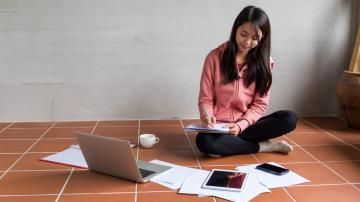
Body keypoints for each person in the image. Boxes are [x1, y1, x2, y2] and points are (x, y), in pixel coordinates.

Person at [196, 5, 297, 157]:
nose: (247, 41)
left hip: (248, 125)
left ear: (262, 38)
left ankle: (229, 145)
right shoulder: (214, 58)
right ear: (235, 29)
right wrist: (206, 116)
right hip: (219, 127)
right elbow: (205, 99)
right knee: (204, 141)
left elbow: (260, 104)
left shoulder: (265, 63)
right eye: (244, 34)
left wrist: (240, 125)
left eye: (255, 38)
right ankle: (264, 146)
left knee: (289, 118)